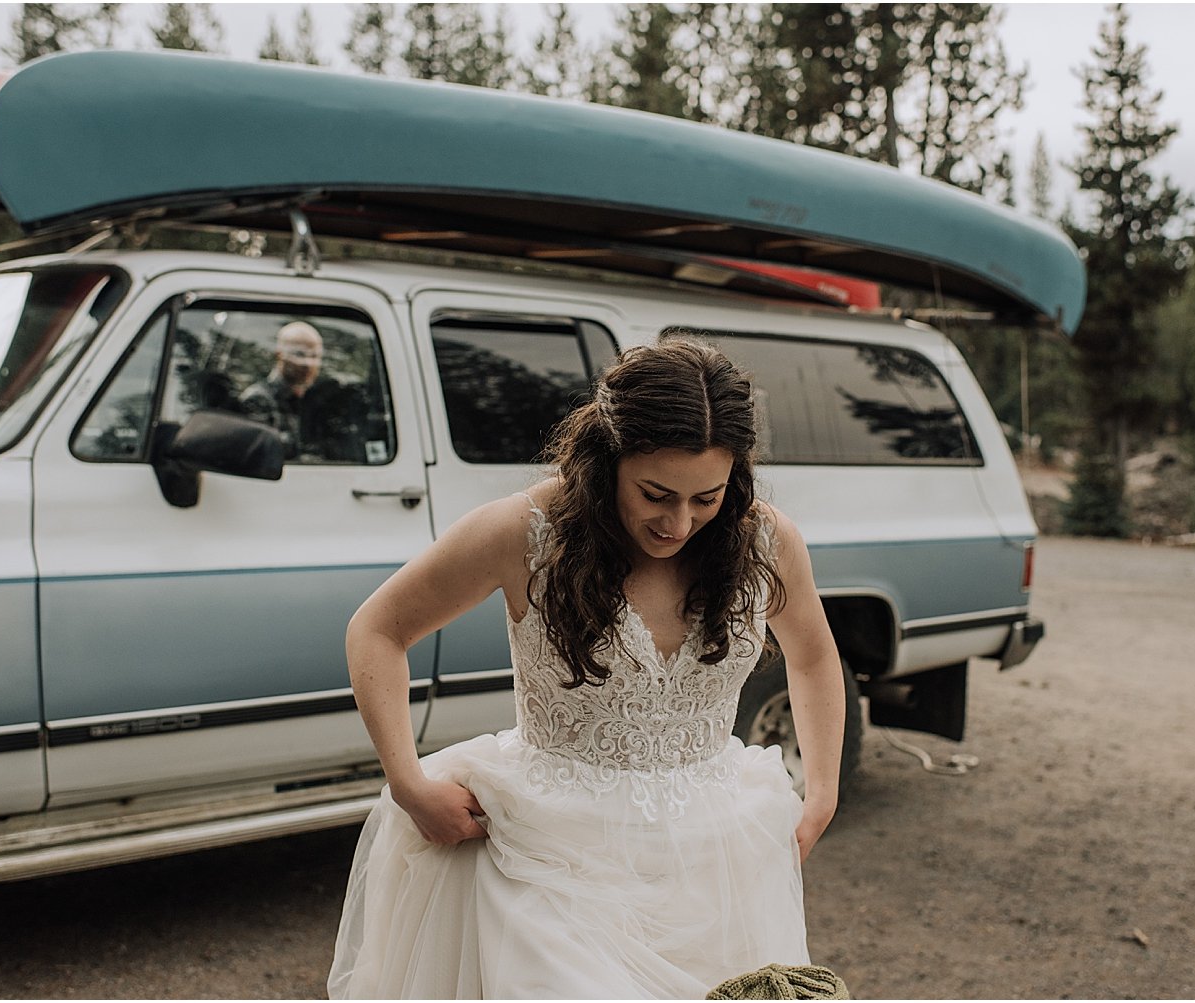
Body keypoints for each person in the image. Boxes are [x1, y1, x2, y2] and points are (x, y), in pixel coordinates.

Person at [328, 338, 846, 999]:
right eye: (655, 493)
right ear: (608, 458)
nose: (678, 521)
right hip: (548, 860)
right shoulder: (523, 533)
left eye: (706, 497)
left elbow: (812, 654)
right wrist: (407, 781)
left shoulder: (765, 540)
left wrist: (822, 792)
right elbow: (377, 629)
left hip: (719, 861)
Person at [240, 321, 364, 463]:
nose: (308, 364)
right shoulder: (258, 399)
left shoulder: (317, 401)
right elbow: (261, 457)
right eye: (299, 354)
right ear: (280, 355)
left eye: (315, 356)